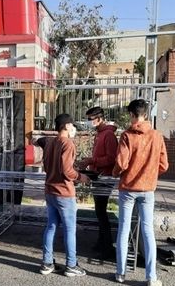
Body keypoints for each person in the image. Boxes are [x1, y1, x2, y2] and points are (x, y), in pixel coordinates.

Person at [112, 99, 168, 286]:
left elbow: (121, 163)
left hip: (128, 189)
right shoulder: (157, 135)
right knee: (147, 231)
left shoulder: (127, 135)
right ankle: (151, 278)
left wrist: (114, 173)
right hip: (148, 190)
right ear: (145, 114)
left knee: (124, 229)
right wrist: (150, 173)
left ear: (132, 114)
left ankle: (120, 273)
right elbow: (164, 165)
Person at [40, 113, 90, 277]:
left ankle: (47, 263)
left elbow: (47, 167)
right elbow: (67, 171)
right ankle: (71, 265)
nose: (74, 128)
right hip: (64, 193)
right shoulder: (67, 144)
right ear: (67, 126)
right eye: (72, 125)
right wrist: (82, 177)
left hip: (50, 190)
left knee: (51, 226)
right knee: (70, 230)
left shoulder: (50, 143)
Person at [77, 106, 118, 260]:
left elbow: (111, 159)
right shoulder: (100, 134)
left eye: (90, 119)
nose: (88, 123)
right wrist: (88, 163)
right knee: (99, 212)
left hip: (105, 178)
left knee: (101, 212)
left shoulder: (108, 135)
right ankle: (102, 242)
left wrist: (91, 160)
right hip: (98, 176)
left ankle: (107, 246)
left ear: (99, 119)